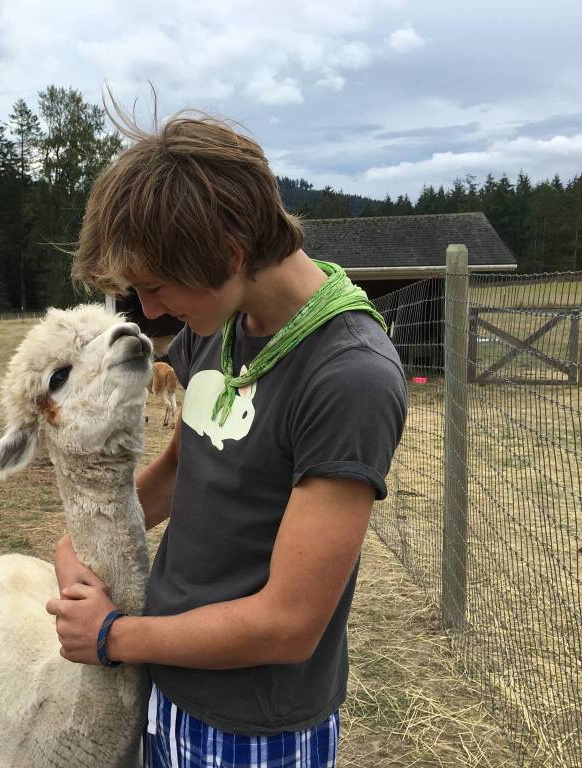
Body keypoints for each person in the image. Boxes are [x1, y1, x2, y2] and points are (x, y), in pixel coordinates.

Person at [45, 110, 407, 767]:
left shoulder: (350, 376)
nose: (147, 311)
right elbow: (187, 465)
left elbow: (289, 624)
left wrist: (112, 637)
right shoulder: (222, 321)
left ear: (230, 255)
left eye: (154, 287)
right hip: (167, 676)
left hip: (253, 728)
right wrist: (84, 537)